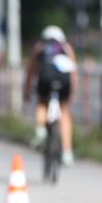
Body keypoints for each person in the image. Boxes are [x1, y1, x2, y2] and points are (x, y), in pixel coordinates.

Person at [24, 25, 78, 165]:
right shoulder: (67, 48)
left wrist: (27, 91)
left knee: (42, 103)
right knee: (64, 112)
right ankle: (67, 152)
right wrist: (72, 93)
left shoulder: (40, 47)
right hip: (64, 83)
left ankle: (40, 129)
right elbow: (73, 74)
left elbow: (30, 72)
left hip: (45, 81)